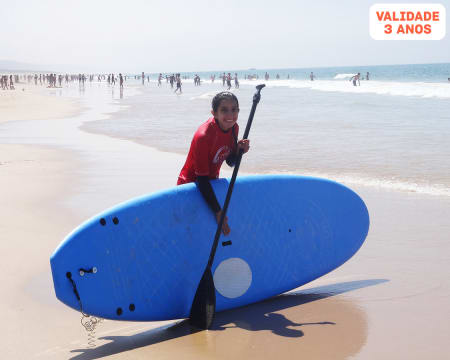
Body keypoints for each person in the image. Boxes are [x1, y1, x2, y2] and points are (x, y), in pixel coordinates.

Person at [177, 92, 250, 235]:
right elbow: (201, 180)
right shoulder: (203, 136)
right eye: (224, 110)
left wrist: (239, 151)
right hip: (190, 186)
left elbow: (230, 162)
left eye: (234, 109)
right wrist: (218, 212)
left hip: (210, 186)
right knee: (191, 233)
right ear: (214, 113)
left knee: (209, 235)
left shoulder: (234, 128)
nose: (230, 115)